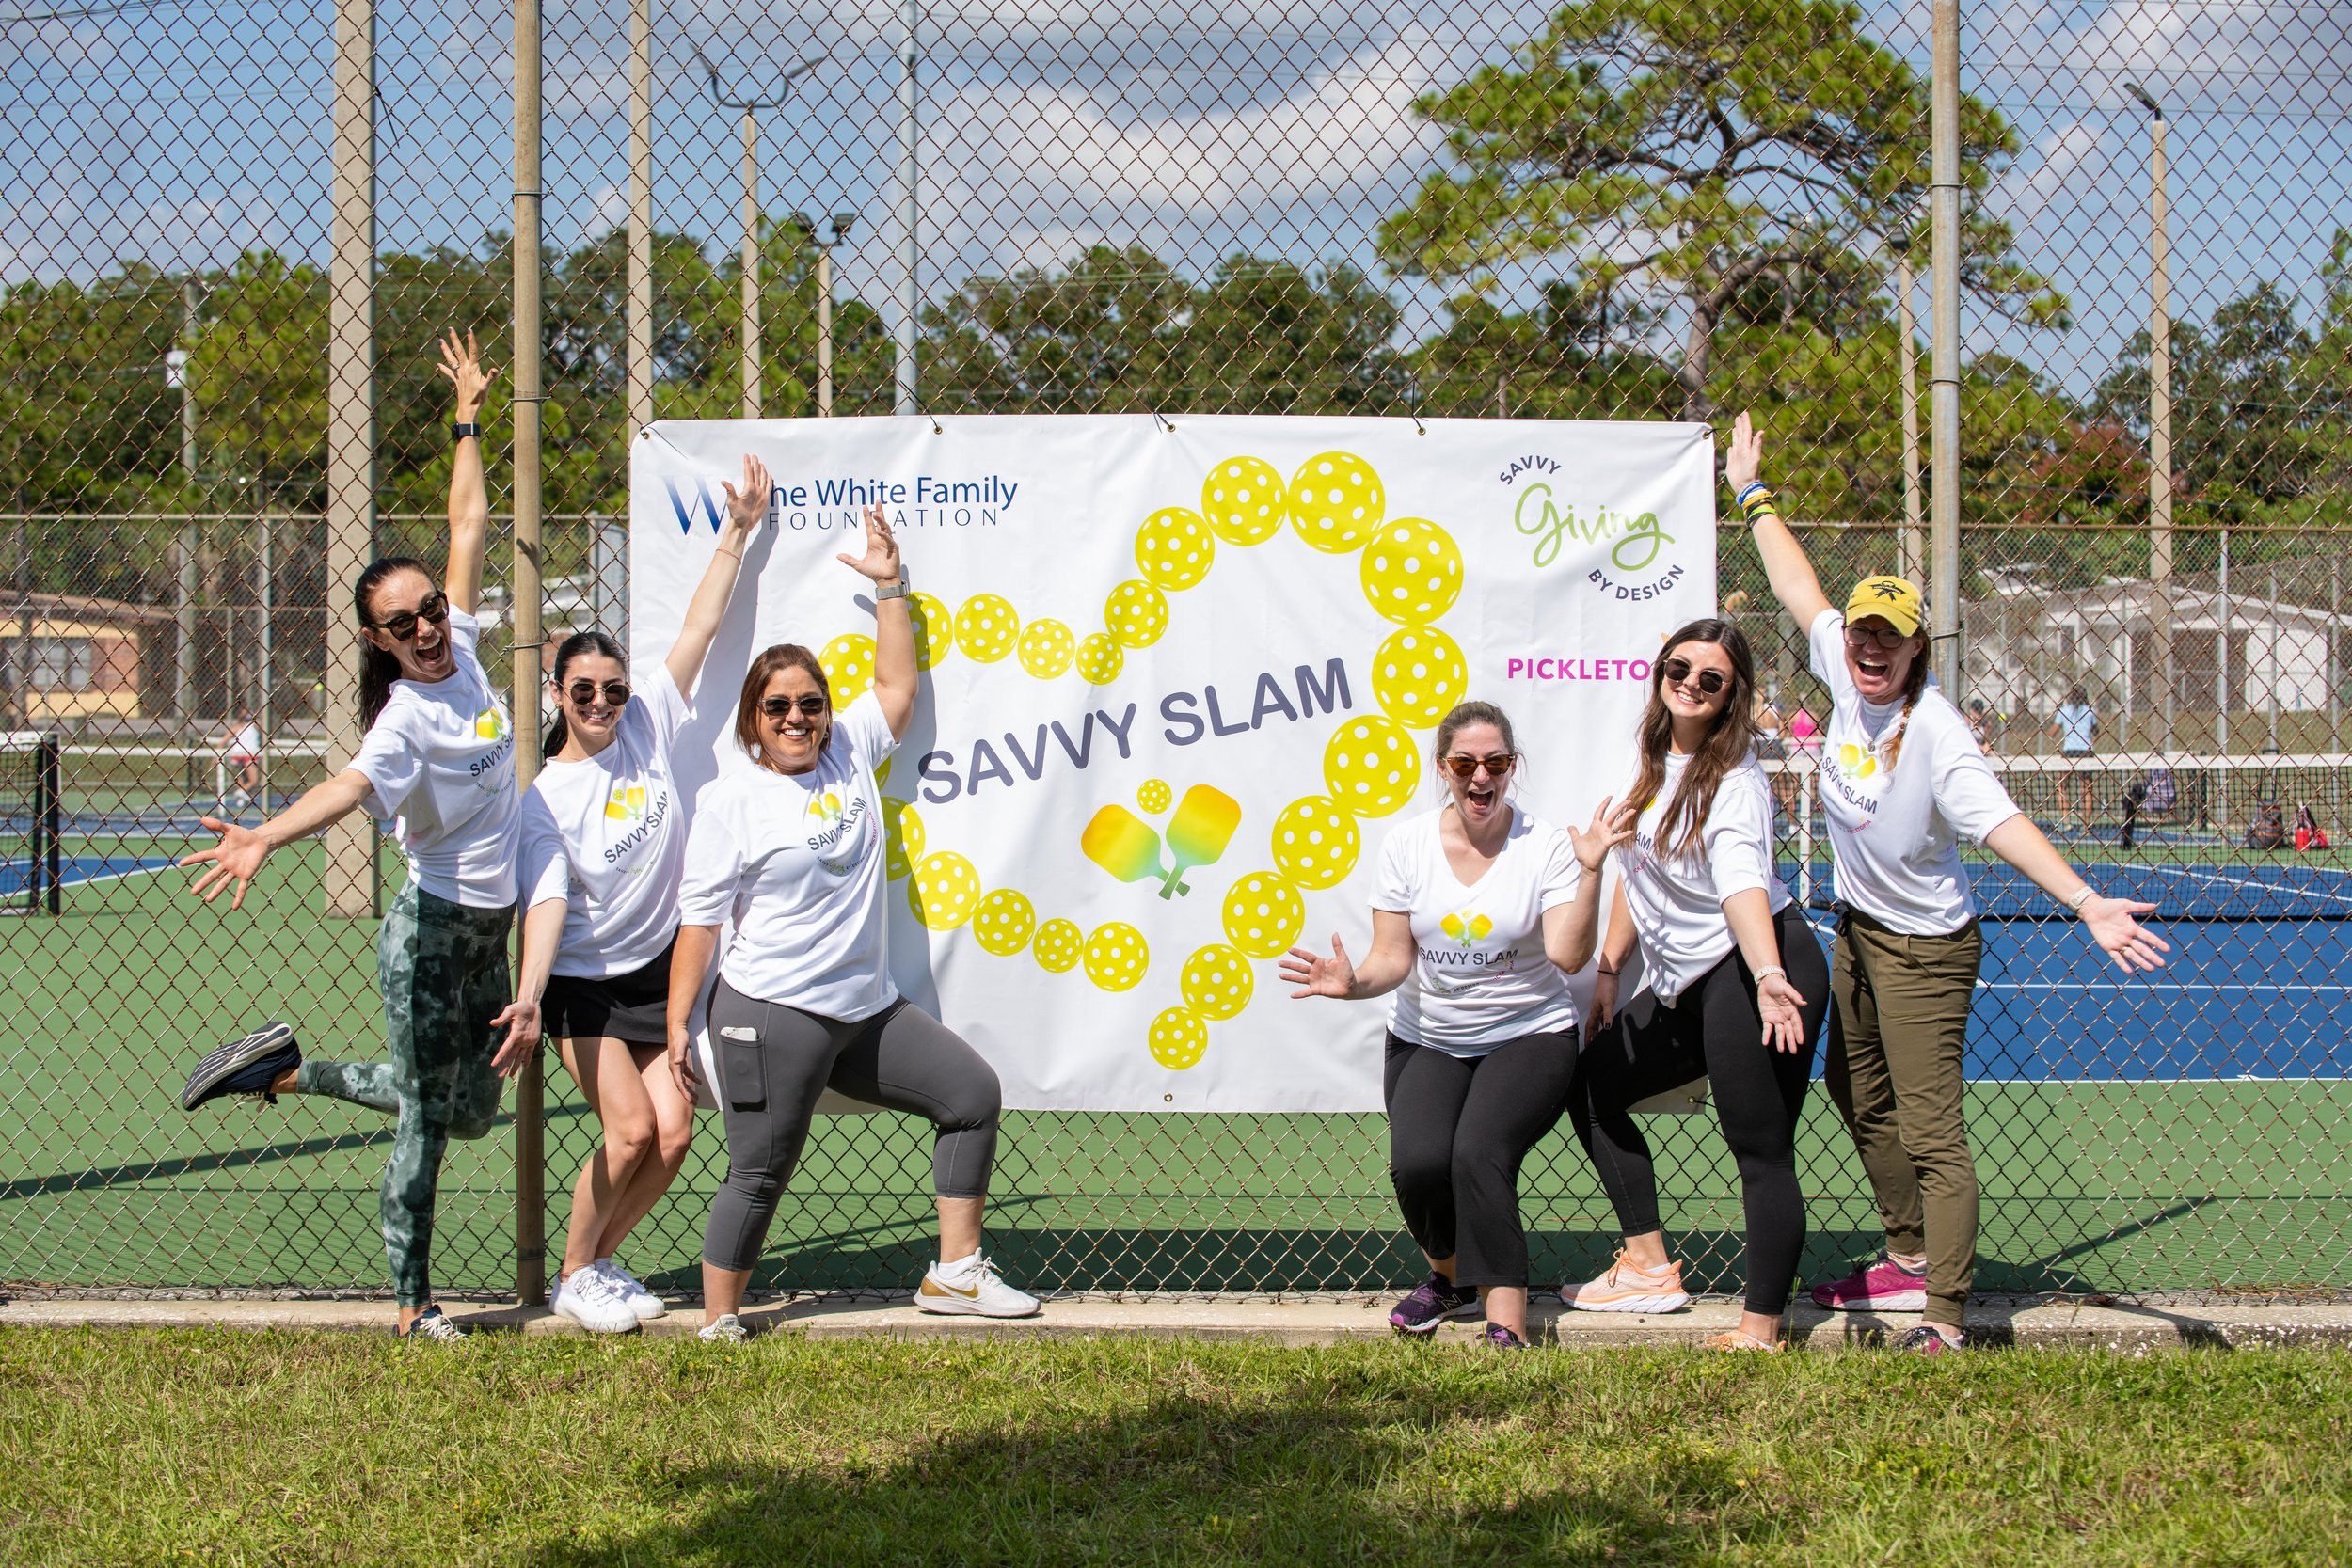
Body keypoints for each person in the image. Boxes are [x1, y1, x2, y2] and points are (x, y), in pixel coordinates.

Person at [1728, 411, 2169, 1354]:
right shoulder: (1843, 676)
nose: (1870, 646)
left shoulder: (1935, 732)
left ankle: (1945, 1314)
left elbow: (2001, 822)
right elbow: (1796, 582)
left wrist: (2086, 900)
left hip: (1926, 950)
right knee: (1852, 1090)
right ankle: (1905, 1250)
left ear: (1917, 645)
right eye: (1862, 633)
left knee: (1930, 1128)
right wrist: (1751, 494)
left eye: (1890, 636)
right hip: (1857, 931)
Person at [175, 331, 518, 1343]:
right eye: (401, 622)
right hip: (431, 935)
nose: (424, 626)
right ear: (376, 639)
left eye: (431, 608)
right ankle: (413, 1303)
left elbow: (467, 520)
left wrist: (466, 416)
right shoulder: (405, 719)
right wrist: (263, 837)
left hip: (493, 931)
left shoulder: (465, 652)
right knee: (425, 1120)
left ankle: (283, 1068)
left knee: (468, 1110)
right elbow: (349, 784)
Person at [670, 503, 1038, 1342]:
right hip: (773, 1012)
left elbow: (898, 688)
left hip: (865, 1008)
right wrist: (674, 1025)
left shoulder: (846, 753)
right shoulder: (732, 800)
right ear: (751, 721)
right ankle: (721, 1322)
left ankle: (954, 1275)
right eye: (777, 708)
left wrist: (891, 587)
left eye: (809, 703)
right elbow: (698, 925)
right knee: (761, 1172)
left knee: (971, 1095)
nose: (797, 718)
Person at [494, 455, 771, 1335]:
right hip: (585, 988)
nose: (604, 702)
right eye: (585, 691)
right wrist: (532, 998)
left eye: (612, 688)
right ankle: (575, 1271)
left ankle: (601, 1260)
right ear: (560, 696)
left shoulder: (648, 719)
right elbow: (543, 905)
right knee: (628, 1130)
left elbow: (698, 626)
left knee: (677, 1132)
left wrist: (737, 531)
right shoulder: (546, 799)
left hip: (658, 978)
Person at [1279, 702, 1634, 1350]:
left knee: (1479, 1151)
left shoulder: (1548, 844)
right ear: (1444, 768)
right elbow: (1392, 957)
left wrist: (1590, 871)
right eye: (1465, 763)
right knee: (1418, 1162)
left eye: (1495, 763)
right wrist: (1353, 981)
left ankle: (1507, 1326)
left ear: (1511, 768)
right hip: (1428, 1035)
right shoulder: (1408, 844)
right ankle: (1448, 1280)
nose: (1480, 777)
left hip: (1528, 1033)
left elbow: (1568, 955)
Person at [1559, 618, 1831, 1354]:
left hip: (1756, 965)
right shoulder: (1647, 754)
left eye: (1711, 678)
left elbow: (1740, 880)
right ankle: (1647, 1265)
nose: (1691, 684)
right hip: (1689, 977)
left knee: (1760, 1148)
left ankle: (1761, 1327)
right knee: (1591, 1082)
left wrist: (1770, 975)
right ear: (1661, 671)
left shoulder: (1735, 778)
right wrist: (1611, 967)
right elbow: (1632, 865)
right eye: (1681, 667)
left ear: (1731, 694)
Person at [2048, 683, 2098, 833]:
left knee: (2061, 787)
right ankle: (2086, 825)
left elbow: (2052, 732)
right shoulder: (2090, 711)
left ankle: (2067, 822)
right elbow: (2096, 731)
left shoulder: (2063, 711)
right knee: (2087, 789)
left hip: (2069, 753)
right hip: (2086, 753)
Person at [214, 709, 263, 813]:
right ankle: (241, 792)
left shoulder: (251, 726)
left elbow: (223, 741)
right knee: (253, 780)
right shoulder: (248, 726)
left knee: (243, 779)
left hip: (241, 754)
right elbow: (223, 741)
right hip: (246, 754)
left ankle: (241, 798)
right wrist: (215, 756)